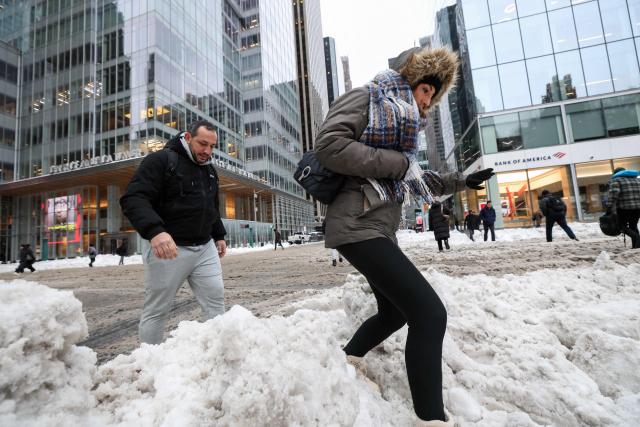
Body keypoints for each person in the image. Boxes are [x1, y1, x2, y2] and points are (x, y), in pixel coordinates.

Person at [314, 45, 494, 426]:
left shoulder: (400, 130)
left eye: (434, 94)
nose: (427, 100)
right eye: (425, 89)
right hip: (356, 224)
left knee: (395, 312)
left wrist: (462, 180)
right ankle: (430, 419)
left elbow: (415, 179)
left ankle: (346, 360)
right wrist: (396, 164)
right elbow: (329, 145)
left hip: (376, 227)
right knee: (429, 315)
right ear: (410, 77)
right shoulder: (368, 97)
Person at [120, 120, 227, 345]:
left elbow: (212, 206)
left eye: (212, 146)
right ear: (188, 138)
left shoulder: (209, 170)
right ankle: (150, 362)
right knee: (157, 310)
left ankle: (218, 354)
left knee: (216, 301)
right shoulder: (160, 160)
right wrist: (155, 231)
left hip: (204, 248)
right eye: (202, 144)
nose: (207, 151)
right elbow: (134, 198)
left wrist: (218, 234)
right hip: (169, 249)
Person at [607, 167, 640, 248]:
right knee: (633, 225)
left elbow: (613, 196)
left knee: (620, 226)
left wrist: (609, 208)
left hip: (624, 208)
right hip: (638, 208)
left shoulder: (616, 180)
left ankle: (636, 237)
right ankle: (636, 246)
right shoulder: (637, 180)